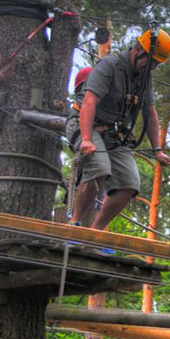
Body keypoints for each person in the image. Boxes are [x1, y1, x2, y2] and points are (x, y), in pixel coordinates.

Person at [74, 27, 170, 230]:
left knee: (129, 184)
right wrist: (86, 138)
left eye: (156, 64)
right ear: (137, 49)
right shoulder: (109, 65)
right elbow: (89, 102)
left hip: (114, 132)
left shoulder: (145, 77)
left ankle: (96, 232)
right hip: (86, 123)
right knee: (100, 168)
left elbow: (150, 113)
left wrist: (158, 150)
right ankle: (74, 222)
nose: (152, 67)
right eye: (151, 61)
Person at [65, 66, 103, 227]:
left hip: (99, 155)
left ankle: (99, 233)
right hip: (88, 151)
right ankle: (75, 221)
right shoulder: (81, 107)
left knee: (104, 189)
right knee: (92, 176)